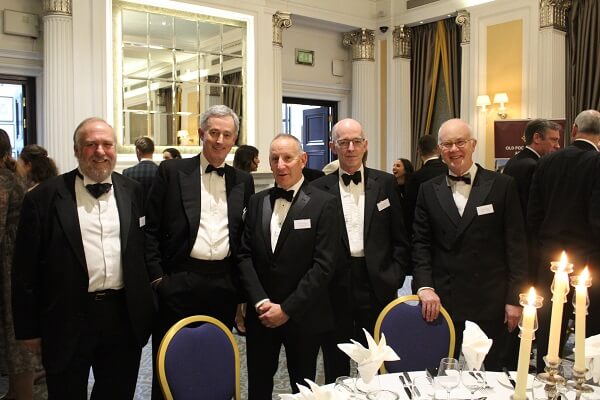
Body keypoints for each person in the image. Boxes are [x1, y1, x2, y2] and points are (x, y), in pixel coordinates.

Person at [12, 117, 155, 399]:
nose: (100, 151)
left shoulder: (132, 191)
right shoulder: (43, 198)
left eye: (107, 144)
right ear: (76, 150)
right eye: (90, 145)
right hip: (66, 317)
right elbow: (24, 270)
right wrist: (28, 330)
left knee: (116, 393)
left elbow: (141, 251)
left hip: (122, 316)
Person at [145, 105, 254, 399]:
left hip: (223, 284)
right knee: (168, 365)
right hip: (178, 280)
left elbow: (245, 238)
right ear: (201, 133)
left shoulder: (243, 180)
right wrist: (158, 280)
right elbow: (151, 229)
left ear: (235, 139)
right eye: (214, 133)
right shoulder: (172, 171)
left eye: (227, 134)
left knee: (214, 362)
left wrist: (242, 295)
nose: (220, 140)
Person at [412, 118, 528, 371]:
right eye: (447, 144)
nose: (454, 149)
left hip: (491, 299)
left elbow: (516, 245)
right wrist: (424, 287)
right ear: (440, 150)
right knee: (440, 372)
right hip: (443, 300)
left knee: (494, 373)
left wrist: (514, 298)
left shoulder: (502, 185)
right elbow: (421, 243)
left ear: (473, 144)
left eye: (460, 142)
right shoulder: (427, 190)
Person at [237, 134, 341, 398]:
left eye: (288, 158)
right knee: (258, 385)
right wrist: (260, 302)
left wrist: (287, 309)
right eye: (274, 159)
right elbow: (244, 256)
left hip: (303, 316)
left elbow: (324, 266)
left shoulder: (324, 203)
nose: (281, 165)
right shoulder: (257, 201)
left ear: (302, 160)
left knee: (302, 388)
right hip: (261, 315)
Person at [310, 118, 409, 382]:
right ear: (333, 146)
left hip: (377, 282)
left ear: (365, 145)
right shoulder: (319, 188)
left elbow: (400, 234)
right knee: (335, 358)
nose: (350, 148)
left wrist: (395, 275)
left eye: (356, 142)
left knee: (376, 359)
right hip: (334, 284)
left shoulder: (387, 183)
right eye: (343, 142)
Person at [528, 109, 600, 372]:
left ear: (573, 131)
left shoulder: (547, 162)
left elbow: (533, 215)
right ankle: (590, 376)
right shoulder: (597, 162)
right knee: (590, 321)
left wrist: (541, 248)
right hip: (589, 259)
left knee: (550, 319)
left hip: (549, 256)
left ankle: (545, 373)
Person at [0, 130, 35, 400]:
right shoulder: (14, 178)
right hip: (17, 265)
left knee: (13, 338)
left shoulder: (4, 182)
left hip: (8, 268)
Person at [503, 119, 561, 217]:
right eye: (554, 140)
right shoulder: (534, 166)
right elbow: (533, 208)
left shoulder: (514, 160)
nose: (558, 146)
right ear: (537, 138)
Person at [405, 134, 448, 234]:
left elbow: (409, 210)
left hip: (425, 232)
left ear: (418, 152)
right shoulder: (450, 171)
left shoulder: (414, 177)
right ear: (438, 149)